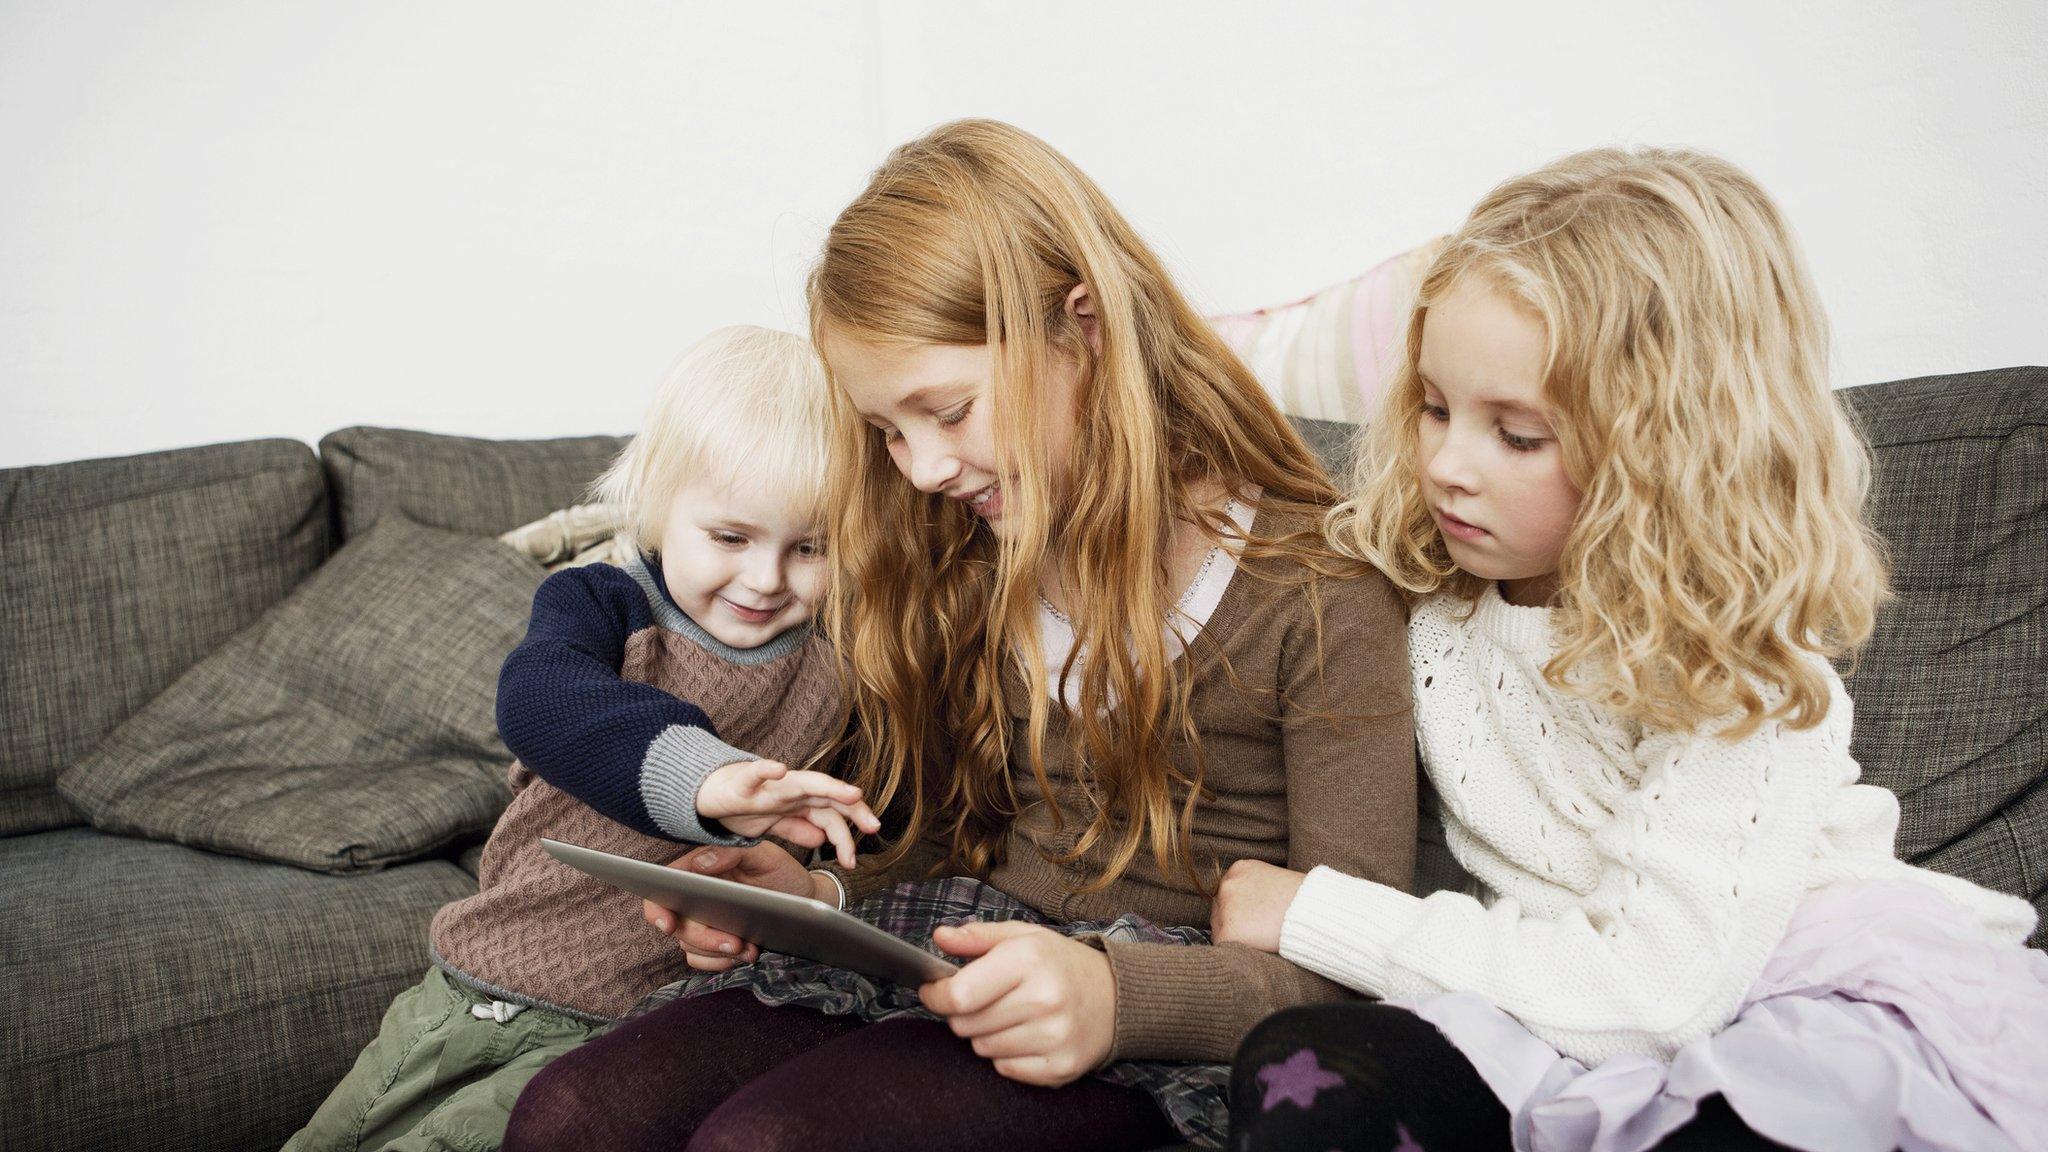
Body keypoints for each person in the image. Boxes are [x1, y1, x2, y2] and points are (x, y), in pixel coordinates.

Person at [501, 119, 1419, 1152]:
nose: (923, 468)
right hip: (949, 943)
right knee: (571, 1113)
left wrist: (1121, 997)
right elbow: (953, 832)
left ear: (1082, 328)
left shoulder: (1315, 588)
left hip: (1151, 1008)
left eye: (946, 410)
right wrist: (815, 891)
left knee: (769, 1143)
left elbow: (1363, 955)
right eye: (889, 432)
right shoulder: (967, 551)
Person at [1211, 146, 2048, 1152]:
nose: (1442, 465)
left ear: (1661, 453)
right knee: (1303, 1071)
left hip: (1789, 993)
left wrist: (1319, 916)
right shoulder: (1423, 585)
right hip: (1548, 997)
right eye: (1432, 407)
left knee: (1737, 1122)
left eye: (1516, 436)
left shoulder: (1746, 674)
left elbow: (1654, 997)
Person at [283, 325, 877, 1152]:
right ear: (660, 507)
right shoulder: (600, 601)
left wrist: (797, 880)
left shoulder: (840, 670)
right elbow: (542, 701)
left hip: (621, 1032)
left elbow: (845, 845)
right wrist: (706, 782)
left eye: (809, 548)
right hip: (479, 976)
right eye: (731, 537)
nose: (766, 578)